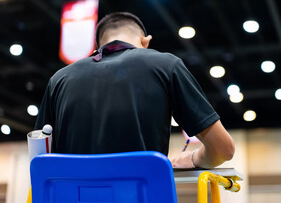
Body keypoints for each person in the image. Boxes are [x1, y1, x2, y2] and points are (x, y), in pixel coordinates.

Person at [35, 12, 234, 168]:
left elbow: (38, 159)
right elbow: (224, 150)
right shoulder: (166, 65)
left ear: (97, 46)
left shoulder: (58, 79)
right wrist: (191, 158)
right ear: (145, 42)